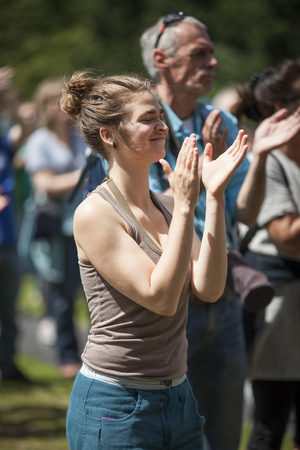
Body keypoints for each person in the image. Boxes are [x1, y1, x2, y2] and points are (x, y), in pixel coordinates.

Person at [59, 70, 248, 449]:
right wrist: (184, 206)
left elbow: (209, 289)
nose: (162, 126)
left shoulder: (165, 206)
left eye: (160, 116)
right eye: (148, 119)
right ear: (109, 135)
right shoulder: (96, 214)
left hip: (178, 395)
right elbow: (160, 297)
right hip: (115, 404)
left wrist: (213, 198)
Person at [140, 13, 300, 450]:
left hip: (223, 300)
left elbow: (245, 215)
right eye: (200, 53)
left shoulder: (222, 124)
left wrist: (262, 155)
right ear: (162, 59)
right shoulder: (138, 123)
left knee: (225, 431)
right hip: (173, 303)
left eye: (211, 53)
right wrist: (198, 180)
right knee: (168, 430)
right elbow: (150, 218)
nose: (213, 62)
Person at [234, 59, 300, 450]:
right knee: (270, 423)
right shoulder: (269, 160)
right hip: (279, 303)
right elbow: (289, 237)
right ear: (283, 109)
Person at [24, 78, 86, 378]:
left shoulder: (80, 136)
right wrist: (82, 176)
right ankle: (67, 356)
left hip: (83, 222)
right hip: (56, 227)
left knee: (90, 289)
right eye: (52, 100)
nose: (59, 104)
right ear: (44, 106)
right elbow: (43, 183)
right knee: (61, 293)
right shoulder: (39, 140)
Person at [0, 66, 33, 381]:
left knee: (9, 310)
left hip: (7, 237)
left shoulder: (3, 143)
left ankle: (7, 366)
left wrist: (7, 96)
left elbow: (23, 129)